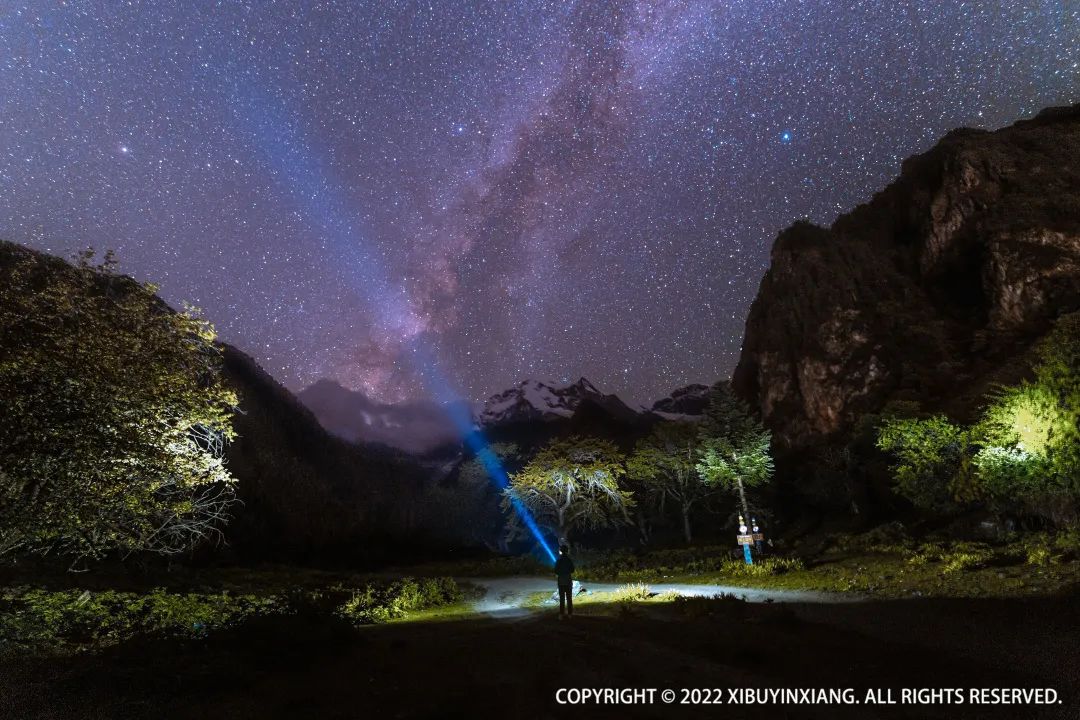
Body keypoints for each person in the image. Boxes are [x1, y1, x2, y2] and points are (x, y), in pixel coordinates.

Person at [555, 544, 575, 619]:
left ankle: (561, 614)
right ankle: (570, 614)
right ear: (567, 551)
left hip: (561, 581)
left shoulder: (559, 560)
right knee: (569, 598)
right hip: (568, 581)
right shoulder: (569, 560)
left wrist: (561, 572)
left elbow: (556, 570)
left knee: (562, 598)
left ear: (560, 551)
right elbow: (572, 570)